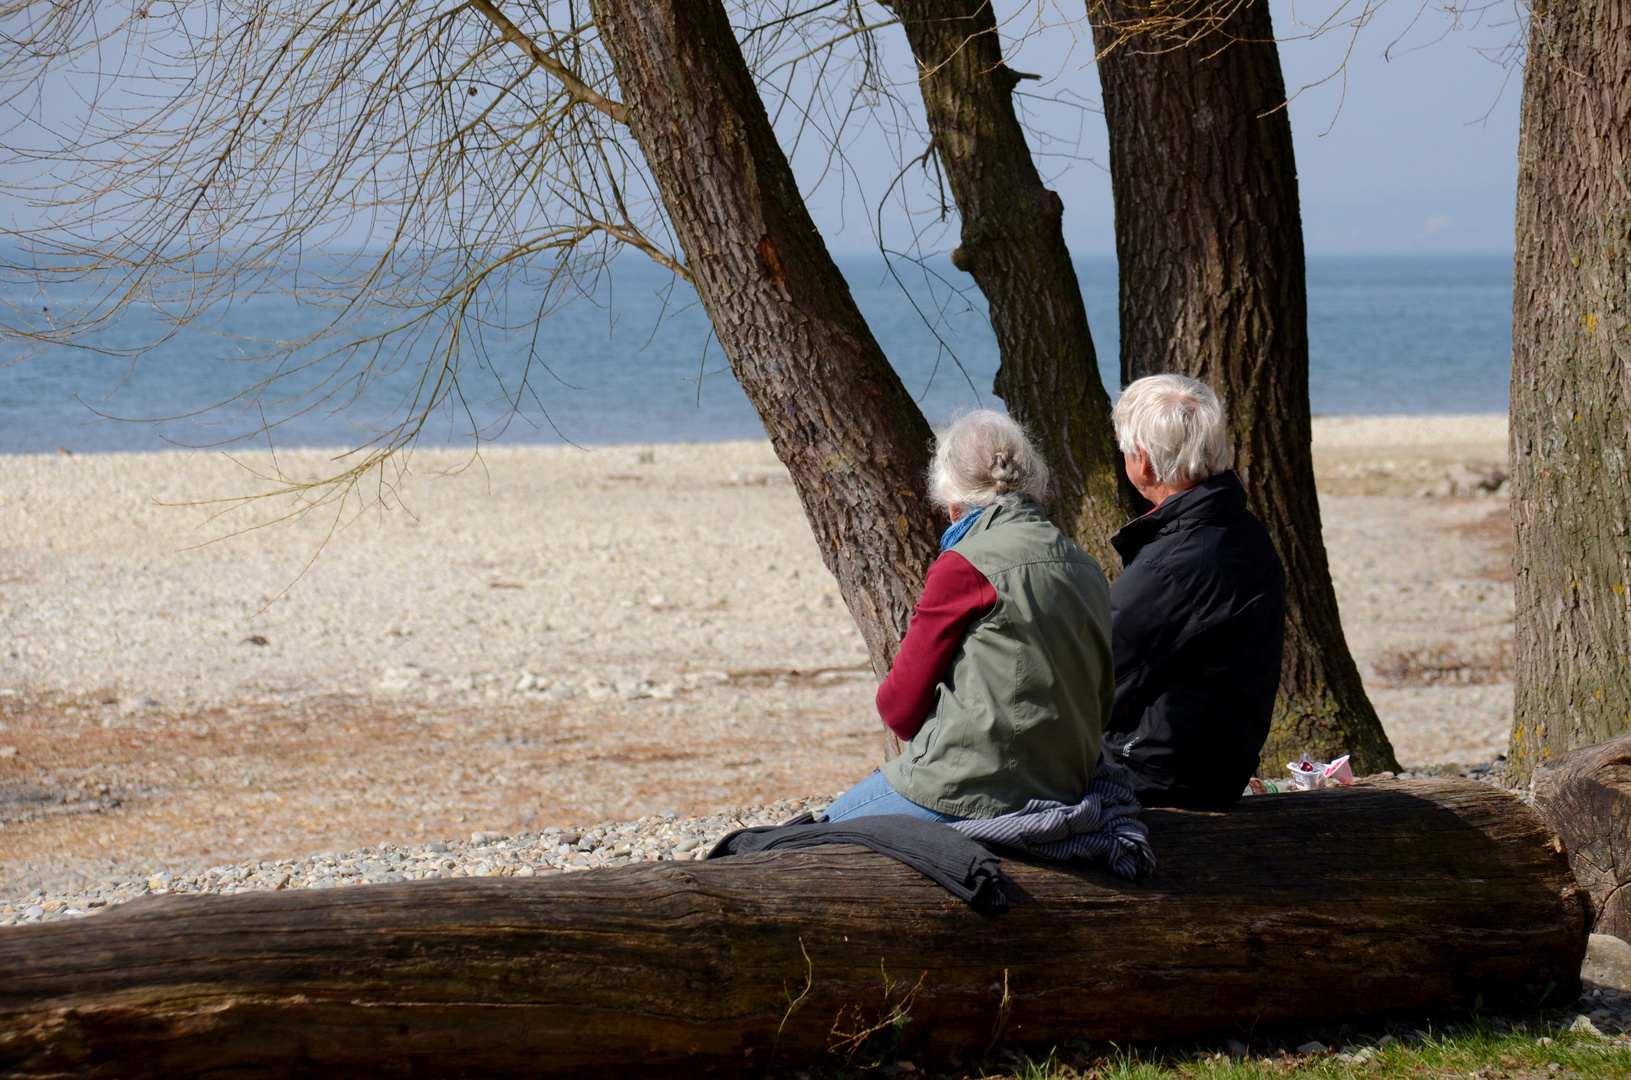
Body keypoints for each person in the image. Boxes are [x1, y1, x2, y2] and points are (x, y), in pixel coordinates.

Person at [823, 410, 1113, 823]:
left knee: (826, 830)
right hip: (1068, 785)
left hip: (971, 792)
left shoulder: (964, 565)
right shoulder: (1085, 566)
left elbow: (898, 712)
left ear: (952, 501)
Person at [1103, 373, 1286, 808]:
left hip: (1154, 777)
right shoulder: (1242, 531)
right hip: (1214, 766)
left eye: (1126, 450)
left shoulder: (1172, 564)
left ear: (1142, 461)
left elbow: (1086, 674)